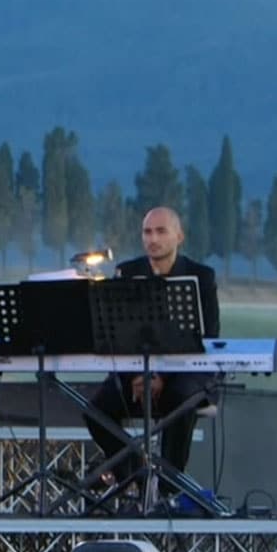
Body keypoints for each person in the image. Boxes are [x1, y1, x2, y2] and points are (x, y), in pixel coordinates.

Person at [83, 206, 219, 490]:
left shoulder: (201, 276)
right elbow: (118, 334)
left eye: (161, 231)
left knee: (179, 401)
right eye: (147, 232)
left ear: (179, 237)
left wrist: (162, 376)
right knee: (95, 411)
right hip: (134, 371)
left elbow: (206, 335)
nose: (152, 239)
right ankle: (135, 473)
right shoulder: (128, 272)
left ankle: (170, 483)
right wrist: (137, 375)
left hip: (184, 372)